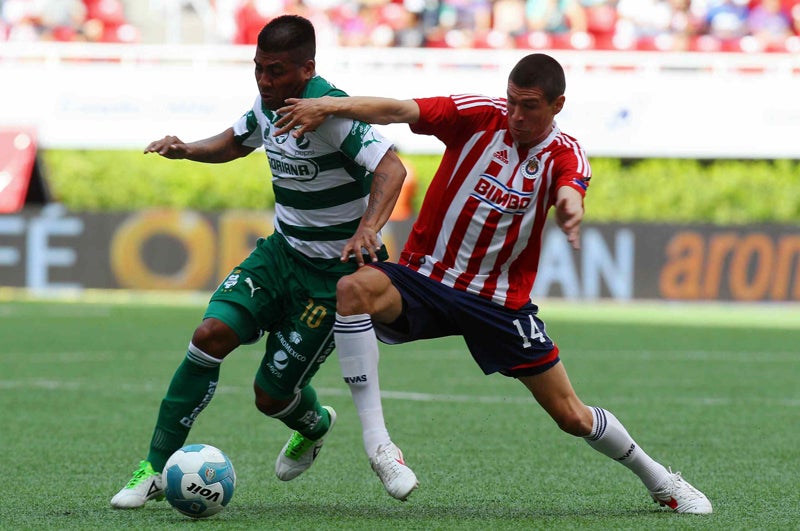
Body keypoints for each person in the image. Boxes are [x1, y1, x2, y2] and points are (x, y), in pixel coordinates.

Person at [273, 52, 713, 513]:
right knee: (353, 289)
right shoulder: (479, 115)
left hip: (498, 302)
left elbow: (571, 185)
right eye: (512, 102)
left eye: (530, 106)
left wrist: (570, 205)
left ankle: (661, 480)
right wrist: (329, 106)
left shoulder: (565, 152)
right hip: (427, 277)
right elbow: (399, 110)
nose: (516, 115)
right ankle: (380, 445)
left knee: (571, 415)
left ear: (557, 105)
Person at [110, 14, 407, 509]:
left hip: (331, 278)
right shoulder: (266, 105)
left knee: (270, 396)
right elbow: (235, 141)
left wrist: (368, 228)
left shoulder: (331, 112)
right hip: (280, 255)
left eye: (276, 71)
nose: (264, 81)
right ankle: (154, 468)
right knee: (209, 335)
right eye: (258, 68)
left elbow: (392, 168)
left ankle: (315, 424)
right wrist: (187, 149)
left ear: (307, 69)